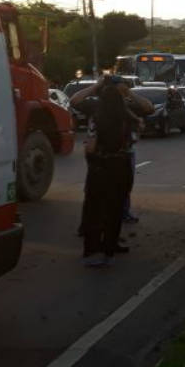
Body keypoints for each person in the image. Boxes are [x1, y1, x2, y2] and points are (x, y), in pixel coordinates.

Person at [70, 77, 154, 267]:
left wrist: (95, 86)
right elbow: (149, 107)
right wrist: (129, 93)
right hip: (121, 163)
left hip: (99, 165)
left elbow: (74, 100)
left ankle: (93, 249)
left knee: (95, 209)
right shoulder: (127, 111)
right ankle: (110, 247)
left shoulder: (95, 108)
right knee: (115, 208)